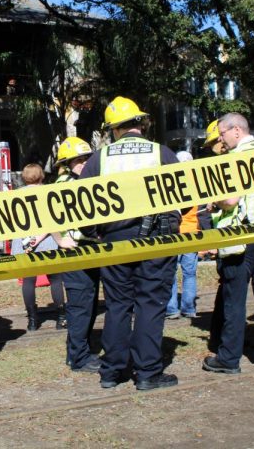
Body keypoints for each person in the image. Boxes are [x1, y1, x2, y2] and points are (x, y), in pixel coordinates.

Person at [79, 97, 181, 391]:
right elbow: (184, 198)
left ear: (114, 129)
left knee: (117, 304)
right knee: (150, 303)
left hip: (114, 239)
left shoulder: (100, 159)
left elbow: (83, 205)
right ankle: (147, 373)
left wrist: (95, 231)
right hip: (157, 239)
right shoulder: (162, 153)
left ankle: (111, 371)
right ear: (140, 123)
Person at [202, 113, 254, 377]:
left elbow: (230, 199)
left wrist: (213, 202)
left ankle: (229, 358)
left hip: (242, 237)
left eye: (222, 135)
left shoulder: (237, 158)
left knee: (234, 299)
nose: (221, 141)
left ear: (236, 131)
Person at [53, 136, 102, 373]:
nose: (83, 163)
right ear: (67, 163)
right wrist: (60, 240)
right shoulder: (63, 184)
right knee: (80, 305)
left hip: (90, 249)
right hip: (74, 253)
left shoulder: (86, 181)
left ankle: (80, 351)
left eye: (86, 159)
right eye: (78, 160)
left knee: (89, 302)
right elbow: (46, 215)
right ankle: (78, 357)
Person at [10, 163, 71, 331]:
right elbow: (53, 219)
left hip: (23, 243)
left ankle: (32, 320)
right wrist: (39, 238)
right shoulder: (48, 192)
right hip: (48, 241)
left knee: (28, 281)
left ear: (24, 177)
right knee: (56, 279)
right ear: (42, 175)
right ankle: (61, 317)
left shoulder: (15, 195)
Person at [165, 150, 200, 320]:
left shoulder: (171, 184)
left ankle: (171, 308)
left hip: (174, 233)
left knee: (170, 272)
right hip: (192, 233)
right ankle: (189, 308)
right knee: (190, 274)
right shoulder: (196, 185)